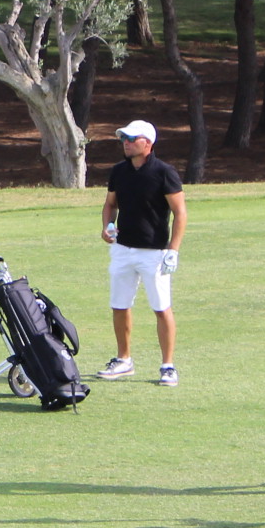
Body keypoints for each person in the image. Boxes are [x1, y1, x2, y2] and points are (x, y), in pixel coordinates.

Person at [97, 119, 186, 384]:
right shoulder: (118, 171)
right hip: (122, 249)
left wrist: (173, 250)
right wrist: (107, 226)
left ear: (147, 143)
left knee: (161, 308)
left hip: (154, 252)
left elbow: (180, 212)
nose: (126, 143)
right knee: (119, 305)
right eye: (123, 138)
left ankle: (167, 365)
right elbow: (110, 204)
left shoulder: (164, 172)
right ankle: (124, 360)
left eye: (131, 138)